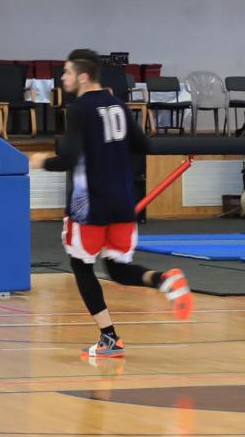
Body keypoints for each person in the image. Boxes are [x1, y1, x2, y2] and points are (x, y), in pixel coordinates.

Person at [45, 49, 194, 358]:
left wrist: (37, 161)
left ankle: (109, 337)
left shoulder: (79, 110)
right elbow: (144, 145)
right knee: (115, 268)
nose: (63, 78)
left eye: (67, 73)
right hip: (123, 201)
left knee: (80, 265)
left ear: (83, 76)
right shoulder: (119, 106)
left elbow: (68, 159)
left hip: (90, 206)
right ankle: (164, 280)